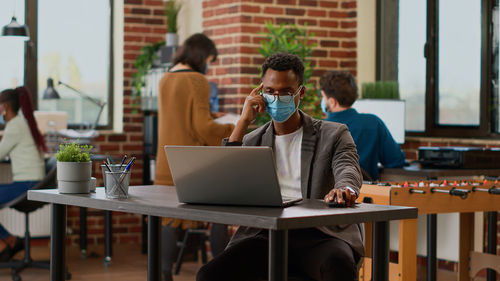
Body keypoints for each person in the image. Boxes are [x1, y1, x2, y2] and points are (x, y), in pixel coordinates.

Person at [197, 53, 363, 281]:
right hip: (266, 235)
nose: (276, 98)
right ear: (261, 93)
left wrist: (346, 189)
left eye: (285, 92)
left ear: (300, 93)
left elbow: (348, 167)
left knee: (339, 266)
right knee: (209, 275)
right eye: (270, 92)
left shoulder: (333, 134)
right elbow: (224, 181)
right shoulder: (253, 139)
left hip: (318, 235)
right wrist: (243, 122)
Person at [154, 33, 234, 281]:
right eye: (210, 59)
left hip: (166, 161)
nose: (209, 65)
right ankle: (222, 272)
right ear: (202, 56)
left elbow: (180, 114)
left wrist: (212, 113)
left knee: (168, 218)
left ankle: (163, 274)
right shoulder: (197, 79)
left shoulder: (166, 78)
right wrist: (234, 127)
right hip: (192, 162)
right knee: (221, 213)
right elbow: (203, 128)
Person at [320, 71, 405, 181]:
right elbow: (396, 160)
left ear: (332, 102)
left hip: (326, 196)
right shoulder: (373, 123)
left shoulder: (319, 128)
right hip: (365, 194)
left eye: (323, 97)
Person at [0, 87, 46, 261]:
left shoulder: (15, 126)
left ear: (4, 107)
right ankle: (10, 241)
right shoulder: (19, 123)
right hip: (30, 182)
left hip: (27, 184)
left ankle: (9, 241)